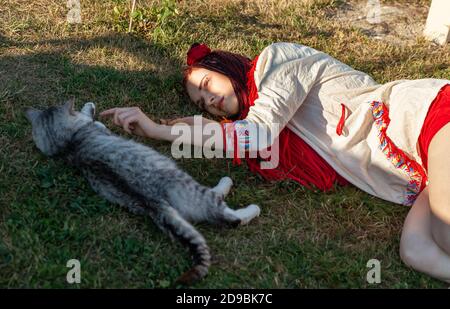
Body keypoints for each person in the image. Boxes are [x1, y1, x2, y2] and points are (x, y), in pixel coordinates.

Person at [100, 42, 450, 283]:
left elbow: (255, 135)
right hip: (422, 168)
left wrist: (160, 133)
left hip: (425, 117)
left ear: (223, 65)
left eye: (207, 83)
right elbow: (231, 137)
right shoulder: (262, 124)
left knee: (446, 232)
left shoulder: (276, 61)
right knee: (417, 250)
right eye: (203, 102)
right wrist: (161, 127)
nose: (209, 99)